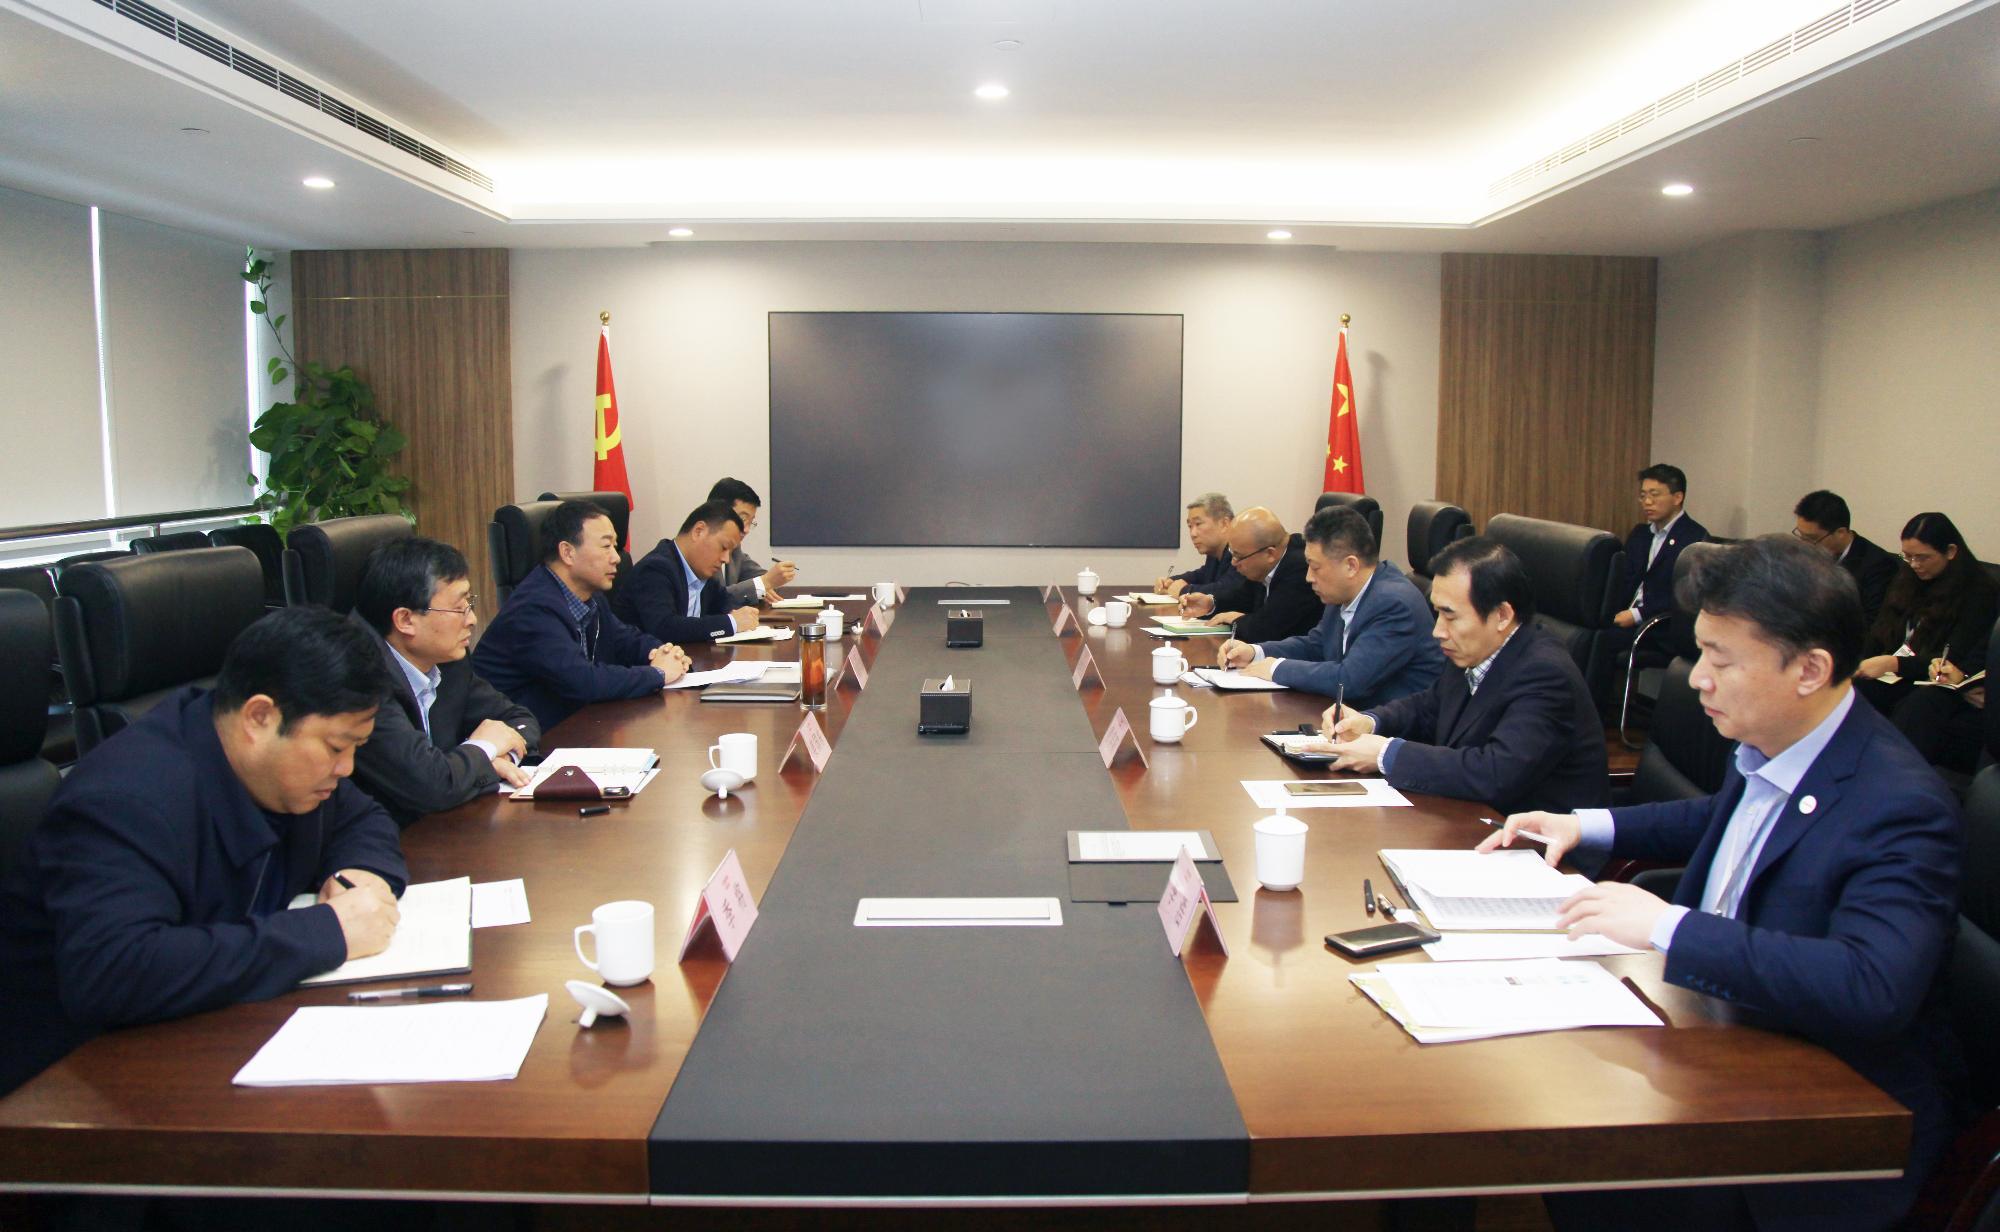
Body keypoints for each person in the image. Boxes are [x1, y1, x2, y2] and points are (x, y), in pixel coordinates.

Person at [1483, 536, 1962, 1231]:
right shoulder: (1777, 742)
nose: (1697, 678)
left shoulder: (1901, 805)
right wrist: (1584, 825)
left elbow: (1870, 986)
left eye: (1721, 659)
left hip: (1819, 1117)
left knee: (1563, 1145)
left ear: (1810, 669)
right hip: (1712, 1036)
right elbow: (1723, 818)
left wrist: (1666, 926)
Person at [0, 607, 409, 1097]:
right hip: (74, 1083)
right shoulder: (124, 800)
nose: (347, 768)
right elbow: (113, 971)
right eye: (338, 747)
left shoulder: (292, 771)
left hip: (220, 1031)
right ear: (259, 717)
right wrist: (327, 931)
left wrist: (359, 873)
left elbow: (363, 819)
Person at [1310, 537, 1607, 814]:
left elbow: (1495, 773)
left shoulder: (1545, 674)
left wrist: (1385, 754)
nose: (1438, 631)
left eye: (1450, 615)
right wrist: (1370, 721)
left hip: (1537, 841)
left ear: (1502, 615)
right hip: (1469, 819)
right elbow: (1428, 707)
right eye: (1437, 613)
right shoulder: (1473, 649)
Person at [349, 537, 542, 827]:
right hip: (392, 837)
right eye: (459, 608)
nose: (472, 619)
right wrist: (482, 750)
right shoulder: (360, 677)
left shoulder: (447, 658)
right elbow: (429, 786)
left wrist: (495, 761)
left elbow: (519, 720)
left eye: (469, 604)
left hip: (445, 828)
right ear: (405, 620)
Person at [471, 500, 691, 732]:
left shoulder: (591, 597)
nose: (616, 557)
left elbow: (626, 639)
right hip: (525, 739)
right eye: (606, 546)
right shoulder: (533, 608)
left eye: (615, 546)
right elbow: (582, 681)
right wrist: (658, 673)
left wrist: (664, 653)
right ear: (567, 552)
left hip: (574, 726)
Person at [1212, 504, 1442, 705]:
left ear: (1350, 566)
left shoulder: (1393, 603)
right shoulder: (1341, 593)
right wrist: (1256, 652)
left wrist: (1275, 668)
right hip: (1344, 717)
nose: (1308, 577)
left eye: (1315, 567)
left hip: (1389, 730)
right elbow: (1316, 645)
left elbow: (1349, 680)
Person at [1851, 511, 1995, 771]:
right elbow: (1881, 630)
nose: (1915, 564)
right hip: (1900, 671)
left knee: (1920, 705)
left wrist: (1893, 663)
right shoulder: (1907, 579)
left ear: (1950, 551)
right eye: (1908, 557)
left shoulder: (1979, 593)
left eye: (1923, 557)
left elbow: (1955, 658)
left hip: (1935, 680)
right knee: (1854, 686)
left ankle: (1892, 774)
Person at [614, 500, 763, 644]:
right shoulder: (655, 569)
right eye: (724, 547)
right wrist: (731, 623)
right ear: (699, 531)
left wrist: (744, 614)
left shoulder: (702, 572)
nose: (726, 559)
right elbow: (664, 628)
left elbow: (725, 603)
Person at [1175, 506, 1320, 643]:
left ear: (1270, 554)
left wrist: (1235, 620)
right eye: (1232, 553)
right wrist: (1210, 603)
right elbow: (1243, 596)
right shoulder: (1265, 562)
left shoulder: (1301, 568)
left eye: (1238, 556)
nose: (1233, 562)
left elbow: (1265, 629)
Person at [1612, 463, 1709, 636]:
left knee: (1596, 642)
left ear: (1677, 497)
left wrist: (1638, 614)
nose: (1647, 502)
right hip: (1624, 615)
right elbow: (1622, 579)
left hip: (1657, 627)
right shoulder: (1641, 534)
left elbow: (1685, 597)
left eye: (1654, 495)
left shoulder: (1695, 539)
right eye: (1643, 496)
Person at [1793, 489, 1900, 629]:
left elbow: (1872, 624)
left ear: (1840, 533)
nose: (1804, 545)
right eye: (1801, 536)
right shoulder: (1807, 557)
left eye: (1811, 539)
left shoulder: (1878, 566)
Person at [708, 477, 797, 606]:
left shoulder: (735, 549)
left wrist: (773, 578)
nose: (746, 530)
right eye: (743, 519)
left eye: (751, 522)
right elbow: (714, 601)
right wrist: (765, 582)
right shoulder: (701, 552)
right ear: (717, 512)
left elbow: (756, 575)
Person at [1154, 492, 1238, 598]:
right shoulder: (1214, 553)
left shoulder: (1241, 552)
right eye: (1190, 526)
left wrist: (1184, 590)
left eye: (1198, 524)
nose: (1193, 534)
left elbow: (1229, 589)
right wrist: (1170, 582)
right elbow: (1202, 575)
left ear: (1224, 524)